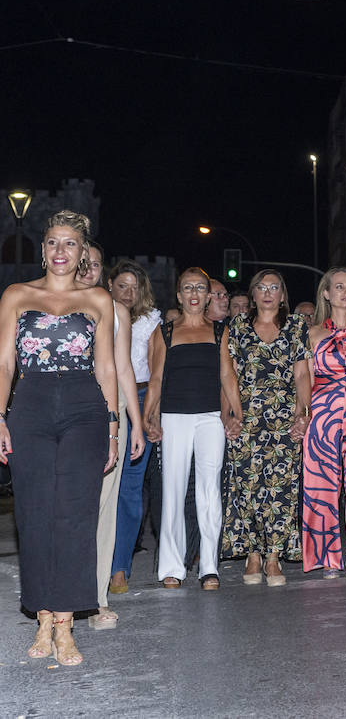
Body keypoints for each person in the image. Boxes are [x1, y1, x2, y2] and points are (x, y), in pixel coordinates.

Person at [0, 211, 120, 666]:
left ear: (83, 252)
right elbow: (4, 364)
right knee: (34, 513)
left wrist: (112, 427)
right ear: (43, 248)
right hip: (29, 404)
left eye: (70, 243)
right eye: (53, 242)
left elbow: (106, 367)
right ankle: (43, 616)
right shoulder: (17, 294)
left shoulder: (98, 299)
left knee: (74, 513)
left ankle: (66, 623)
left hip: (84, 407)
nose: (60, 251)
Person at [221, 270, 310, 586]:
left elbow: (302, 374)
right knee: (247, 486)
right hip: (247, 415)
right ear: (253, 294)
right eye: (262, 287)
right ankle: (253, 555)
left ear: (283, 295)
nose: (268, 292)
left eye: (274, 287)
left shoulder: (296, 326)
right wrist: (230, 415)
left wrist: (302, 413)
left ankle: (273, 557)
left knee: (281, 488)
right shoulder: (238, 326)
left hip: (284, 417)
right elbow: (229, 373)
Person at [143, 266, 229, 590]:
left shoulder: (219, 331)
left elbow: (227, 375)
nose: (194, 293)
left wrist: (234, 413)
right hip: (174, 416)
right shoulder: (164, 332)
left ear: (208, 296)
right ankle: (172, 566)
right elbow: (155, 379)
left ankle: (209, 566)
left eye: (200, 288)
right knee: (173, 490)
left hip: (210, 417)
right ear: (179, 296)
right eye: (188, 288)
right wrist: (149, 417)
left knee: (209, 491)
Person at [78, 243, 146, 629]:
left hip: (111, 412)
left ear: (104, 273)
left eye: (95, 265)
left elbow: (124, 370)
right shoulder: (52, 305)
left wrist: (135, 422)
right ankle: (60, 598)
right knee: (70, 507)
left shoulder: (118, 311)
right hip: (69, 408)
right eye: (82, 263)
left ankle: (96, 599)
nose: (88, 269)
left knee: (104, 507)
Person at [301, 268, 346, 579]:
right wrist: (303, 414)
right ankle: (328, 558)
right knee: (321, 486)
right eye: (339, 286)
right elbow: (305, 379)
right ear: (326, 294)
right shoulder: (311, 334)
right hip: (322, 413)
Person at [109, 260, 160, 596]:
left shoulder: (151, 320)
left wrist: (150, 414)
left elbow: (156, 373)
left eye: (135, 287)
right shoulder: (95, 312)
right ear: (109, 285)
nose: (128, 293)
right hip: (101, 400)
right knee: (100, 488)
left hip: (139, 398)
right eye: (122, 285)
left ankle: (119, 568)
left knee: (129, 488)